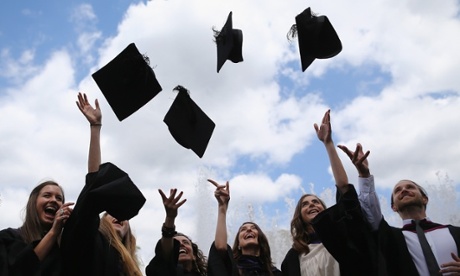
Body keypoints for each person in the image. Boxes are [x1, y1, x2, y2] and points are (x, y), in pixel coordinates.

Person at [281, 110, 378, 276]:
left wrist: (328, 143)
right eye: (305, 204)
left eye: (316, 202)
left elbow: (344, 189)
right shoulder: (292, 258)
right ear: (299, 216)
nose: (311, 204)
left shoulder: (342, 237)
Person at [339, 142, 460, 276]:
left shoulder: (455, 232)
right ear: (393, 207)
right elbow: (371, 213)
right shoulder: (391, 238)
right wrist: (364, 174)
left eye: (410, 187)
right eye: (398, 190)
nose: (404, 190)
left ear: (425, 198)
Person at [60, 92, 145, 276]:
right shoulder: (94, 242)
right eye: (109, 213)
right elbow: (94, 187)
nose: (117, 216)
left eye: (120, 214)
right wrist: (95, 128)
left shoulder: (131, 266)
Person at [207, 179, 282, 276]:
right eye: (243, 229)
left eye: (253, 228)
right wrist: (222, 208)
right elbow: (220, 247)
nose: (249, 229)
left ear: (260, 239)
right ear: (238, 244)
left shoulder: (275, 273)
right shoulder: (233, 268)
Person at [0, 180, 73, 276]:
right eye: (47, 195)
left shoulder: (63, 249)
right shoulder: (8, 237)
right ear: (33, 203)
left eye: (59, 198)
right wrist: (53, 232)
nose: (54, 200)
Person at [145, 188, 207, 275]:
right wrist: (170, 218)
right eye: (176, 244)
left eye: (185, 242)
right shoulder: (160, 271)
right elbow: (164, 255)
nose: (181, 244)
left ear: (194, 256)